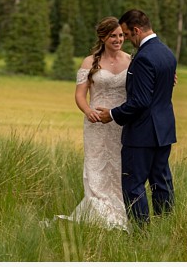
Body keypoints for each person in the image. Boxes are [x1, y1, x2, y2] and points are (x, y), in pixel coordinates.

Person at [98, 9, 177, 224]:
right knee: (161, 181)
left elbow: (140, 101)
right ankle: (165, 225)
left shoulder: (143, 58)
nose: (126, 39)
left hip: (142, 133)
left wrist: (112, 114)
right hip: (164, 130)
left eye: (126, 34)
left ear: (136, 30)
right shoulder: (167, 53)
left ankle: (141, 234)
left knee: (133, 185)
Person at [57, 17, 131, 230]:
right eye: (113, 36)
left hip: (120, 123)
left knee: (119, 166)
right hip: (96, 124)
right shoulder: (90, 62)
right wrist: (88, 110)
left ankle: (120, 213)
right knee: (96, 165)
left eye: (121, 35)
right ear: (103, 37)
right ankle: (98, 213)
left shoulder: (131, 60)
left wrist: (168, 76)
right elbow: (80, 95)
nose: (118, 40)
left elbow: (148, 81)